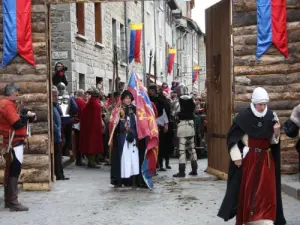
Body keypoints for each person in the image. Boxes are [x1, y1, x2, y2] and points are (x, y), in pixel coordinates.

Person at [218, 87, 286, 225]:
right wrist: (236, 157)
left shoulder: (271, 116)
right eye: (259, 104)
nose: (262, 107)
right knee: (249, 190)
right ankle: (250, 218)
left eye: (264, 104)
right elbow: (232, 139)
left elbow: (272, 142)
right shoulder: (243, 117)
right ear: (254, 103)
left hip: (267, 161)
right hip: (250, 160)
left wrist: (276, 133)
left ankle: (266, 219)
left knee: (267, 191)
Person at [0, 83, 36, 211]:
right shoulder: (7, 104)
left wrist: (25, 115)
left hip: (12, 140)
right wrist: (28, 117)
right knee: (14, 169)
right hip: (13, 141)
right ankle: (12, 201)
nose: (17, 94)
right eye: (16, 92)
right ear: (12, 92)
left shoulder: (5, 103)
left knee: (11, 169)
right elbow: (16, 123)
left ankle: (10, 200)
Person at [110, 90, 140, 188]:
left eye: (129, 98)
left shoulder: (135, 109)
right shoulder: (119, 110)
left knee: (133, 159)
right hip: (123, 137)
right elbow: (115, 123)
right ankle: (121, 180)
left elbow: (138, 124)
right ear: (122, 99)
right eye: (126, 98)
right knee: (123, 158)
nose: (128, 100)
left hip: (133, 137)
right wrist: (115, 120)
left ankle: (132, 180)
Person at [173, 84, 198, 177]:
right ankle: (194, 169)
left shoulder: (177, 101)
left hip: (182, 126)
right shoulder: (192, 99)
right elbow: (194, 111)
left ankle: (181, 171)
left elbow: (174, 114)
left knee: (182, 150)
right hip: (191, 125)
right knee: (192, 148)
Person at [79, 87, 104, 168]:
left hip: (93, 126)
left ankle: (94, 160)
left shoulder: (93, 102)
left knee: (94, 143)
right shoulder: (95, 103)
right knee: (93, 144)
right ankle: (91, 162)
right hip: (93, 127)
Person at [148, 84, 171, 171]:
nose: (150, 92)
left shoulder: (162, 99)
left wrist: (166, 123)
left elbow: (166, 111)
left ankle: (165, 163)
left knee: (164, 145)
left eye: (152, 90)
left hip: (162, 123)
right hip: (153, 124)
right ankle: (158, 163)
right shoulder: (149, 99)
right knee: (156, 144)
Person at [57, 82, 78, 158]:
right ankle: (70, 151)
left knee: (59, 137)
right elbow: (75, 108)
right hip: (68, 120)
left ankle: (60, 153)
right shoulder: (69, 97)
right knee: (68, 136)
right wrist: (71, 114)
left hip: (59, 120)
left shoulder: (55, 97)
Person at [52, 86, 69, 180]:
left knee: (59, 156)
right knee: (57, 156)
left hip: (58, 135)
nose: (55, 97)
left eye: (56, 95)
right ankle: (58, 174)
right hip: (55, 135)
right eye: (54, 95)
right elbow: (53, 122)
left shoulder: (55, 107)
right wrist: (56, 131)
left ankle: (60, 174)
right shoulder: (51, 107)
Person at [73, 89, 86, 166]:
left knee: (76, 142)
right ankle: (79, 160)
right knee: (79, 142)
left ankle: (78, 159)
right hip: (79, 124)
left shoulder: (74, 100)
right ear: (82, 94)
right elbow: (83, 114)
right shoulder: (81, 102)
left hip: (74, 123)